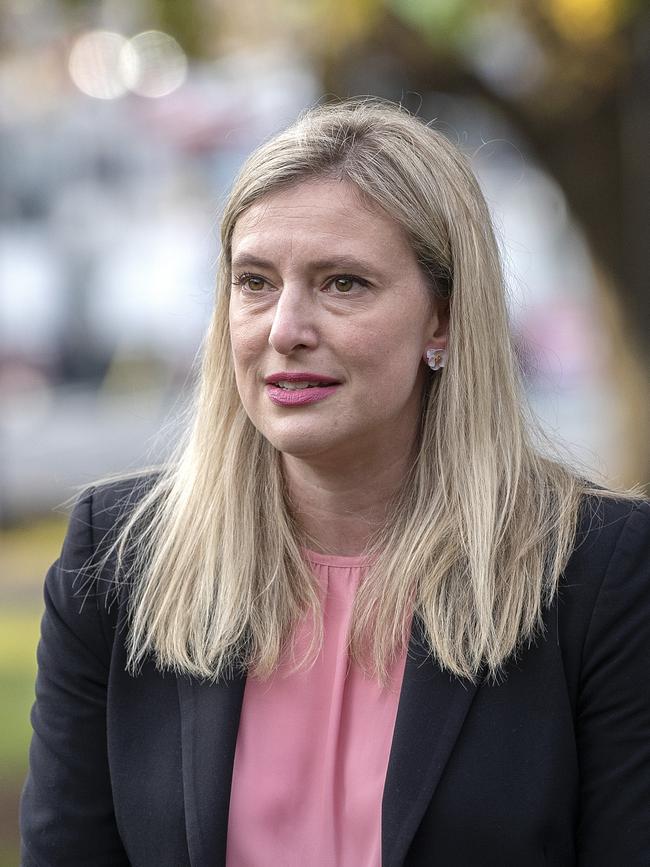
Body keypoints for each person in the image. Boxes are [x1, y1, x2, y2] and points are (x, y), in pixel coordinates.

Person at [20, 99, 650, 867]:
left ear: (443, 320)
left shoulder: (596, 574)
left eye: (343, 283)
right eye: (255, 282)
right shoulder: (116, 560)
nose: (286, 328)